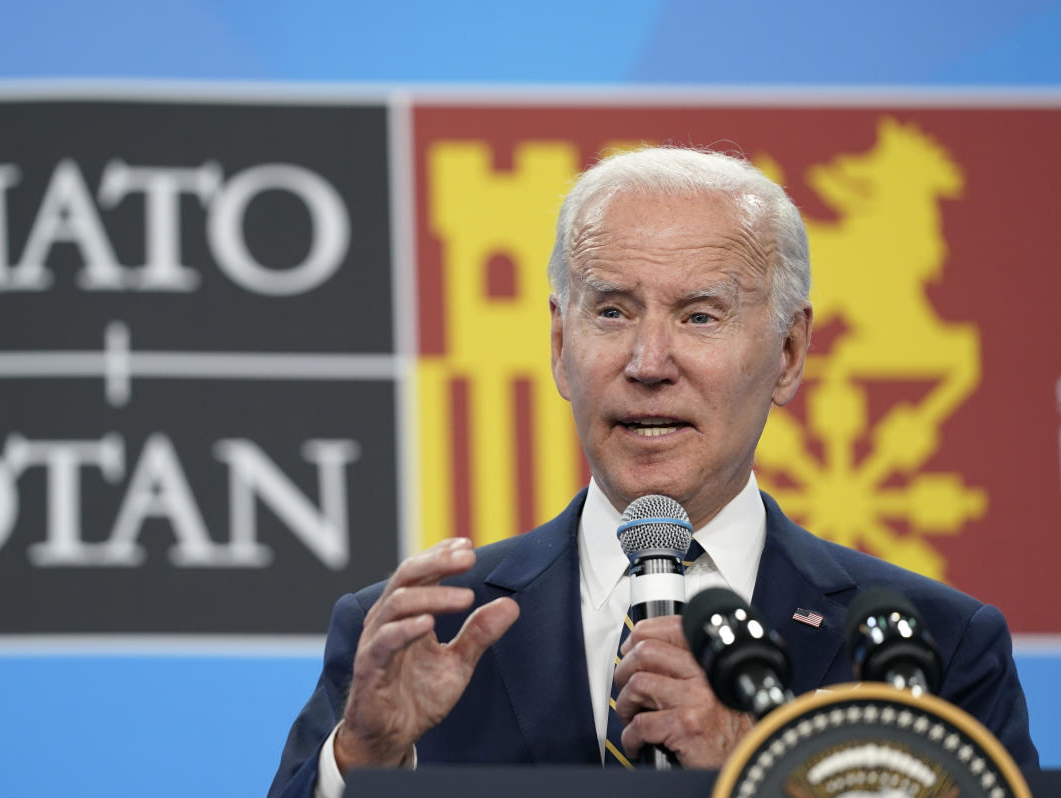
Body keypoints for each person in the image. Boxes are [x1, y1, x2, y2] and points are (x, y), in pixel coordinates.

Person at [268, 145, 1038, 798]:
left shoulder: (936, 649)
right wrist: (364, 764)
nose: (648, 363)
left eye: (700, 315)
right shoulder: (418, 635)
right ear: (560, 344)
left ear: (789, 354)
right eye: (612, 312)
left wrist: (764, 772)